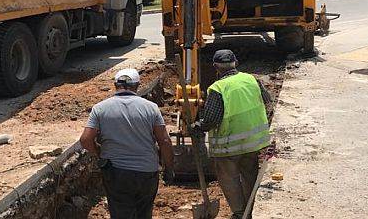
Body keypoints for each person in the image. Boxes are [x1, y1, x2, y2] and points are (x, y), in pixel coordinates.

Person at [80, 68, 174, 219]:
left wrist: (99, 153)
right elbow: (164, 140)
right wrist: (168, 167)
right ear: (137, 85)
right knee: (144, 213)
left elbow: (85, 140)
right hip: (147, 172)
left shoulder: (100, 108)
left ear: (115, 85)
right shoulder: (151, 108)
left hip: (116, 172)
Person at [191, 50, 272, 219]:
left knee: (229, 179)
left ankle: (240, 212)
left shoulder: (217, 88)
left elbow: (211, 120)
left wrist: (197, 126)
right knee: (250, 174)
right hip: (253, 142)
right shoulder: (251, 79)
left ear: (215, 67)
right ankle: (251, 209)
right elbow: (267, 101)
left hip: (228, 147)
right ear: (236, 62)